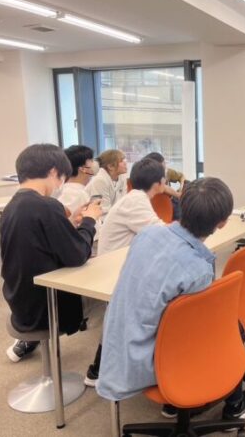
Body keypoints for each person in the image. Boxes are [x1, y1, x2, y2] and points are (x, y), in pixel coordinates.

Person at [97, 177, 245, 421]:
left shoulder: (147, 234)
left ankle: (176, 403)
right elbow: (192, 329)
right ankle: (234, 406)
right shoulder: (198, 269)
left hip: (115, 348)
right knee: (230, 326)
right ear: (223, 223)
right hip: (150, 361)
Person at [2, 144, 102, 362]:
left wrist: (69, 222)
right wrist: (90, 220)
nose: (59, 185)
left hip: (20, 303)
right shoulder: (47, 206)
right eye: (61, 179)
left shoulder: (13, 206)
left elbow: (42, 242)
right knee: (111, 299)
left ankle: (28, 343)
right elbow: (78, 255)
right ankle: (97, 369)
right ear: (53, 172)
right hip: (48, 308)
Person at [84, 158, 168, 387]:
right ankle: (98, 370)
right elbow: (162, 234)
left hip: (123, 264)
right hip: (116, 271)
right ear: (159, 182)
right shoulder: (136, 201)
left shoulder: (136, 197)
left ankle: (101, 368)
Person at [57, 145, 98, 218]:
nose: (95, 163)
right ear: (82, 168)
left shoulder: (73, 190)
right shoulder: (75, 193)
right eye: (91, 160)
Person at [143, 152, 186, 220]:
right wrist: (177, 194)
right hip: (157, 204)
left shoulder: (167, 172)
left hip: (171, 200)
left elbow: (181, 176)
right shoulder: (147, 175)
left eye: (164, 163)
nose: (165, 167)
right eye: (162, 165)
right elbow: (163, 187)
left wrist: (181, 187)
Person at [85, 149, 128, 216]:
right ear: (110, 166)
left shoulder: (122, 177)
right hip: (96, 218)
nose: (125, 162)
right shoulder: (100, 180)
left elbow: (123, 203)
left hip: (112, 217)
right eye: (121, 161)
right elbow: (103, 210)